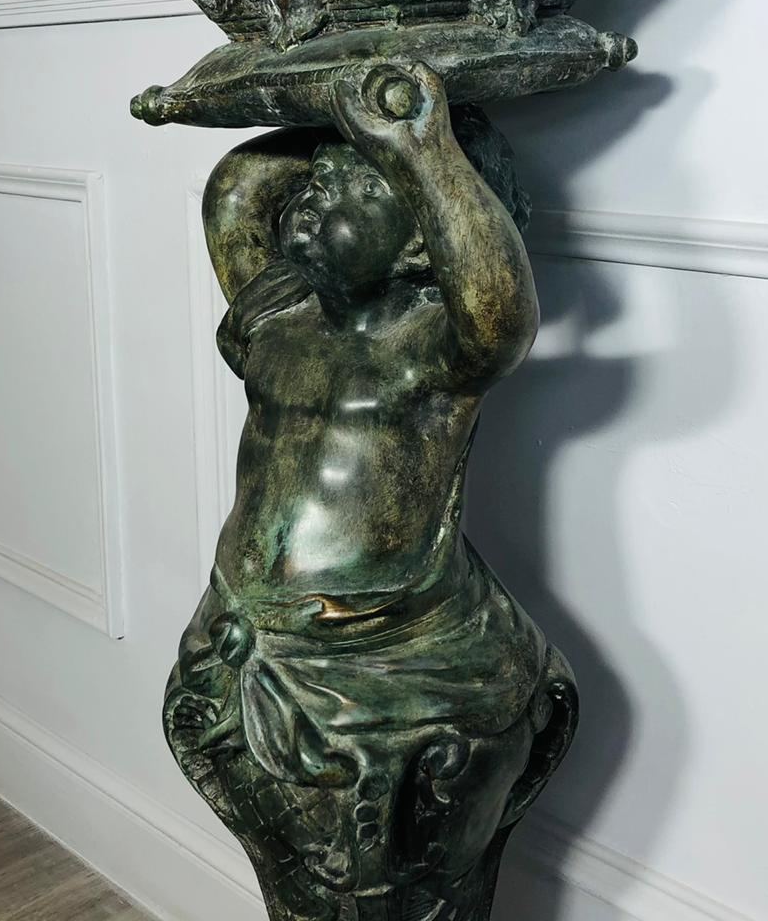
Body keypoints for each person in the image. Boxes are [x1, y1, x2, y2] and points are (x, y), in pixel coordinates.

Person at [164, 63, 576, 918]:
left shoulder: (430, 349)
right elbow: (239, 191)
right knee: (300, 889)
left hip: (383, 647)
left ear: (424, 238)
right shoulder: (278, 317)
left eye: (353, 189)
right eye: (315, 181)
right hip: (250, 635)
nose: (312, 199)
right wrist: (332, 104)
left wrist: (422, 150)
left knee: (402, 897)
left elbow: (499, 315)